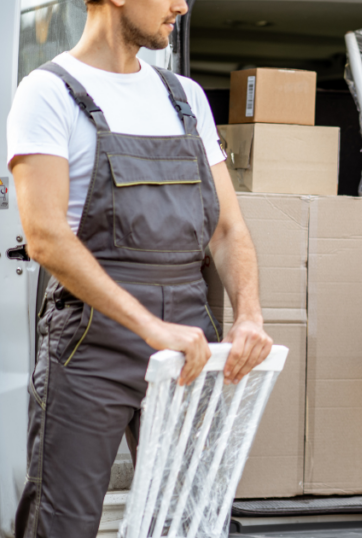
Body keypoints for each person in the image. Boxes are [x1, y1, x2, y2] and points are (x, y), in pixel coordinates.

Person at [7, 0, 273, 535]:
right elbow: (45, 237)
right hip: (91, 347)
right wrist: (149, 326)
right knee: (64, 522)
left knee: (191, 520)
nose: (182, 6)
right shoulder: (48, 92)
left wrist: (249, 314)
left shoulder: (185, 97)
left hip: (189, 347)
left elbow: (227, 229)